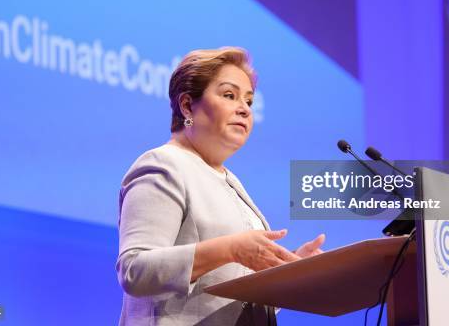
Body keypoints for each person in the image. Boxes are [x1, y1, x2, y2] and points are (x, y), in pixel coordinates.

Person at [116, 47, 325, 325]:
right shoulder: (163, 165)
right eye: (229, 95)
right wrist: (231, 249)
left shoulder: (229, 180)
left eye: (249, 102)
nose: (244, 109)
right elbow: (135, 271)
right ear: (188, 105)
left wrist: (286, 268)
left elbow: (230, 290)